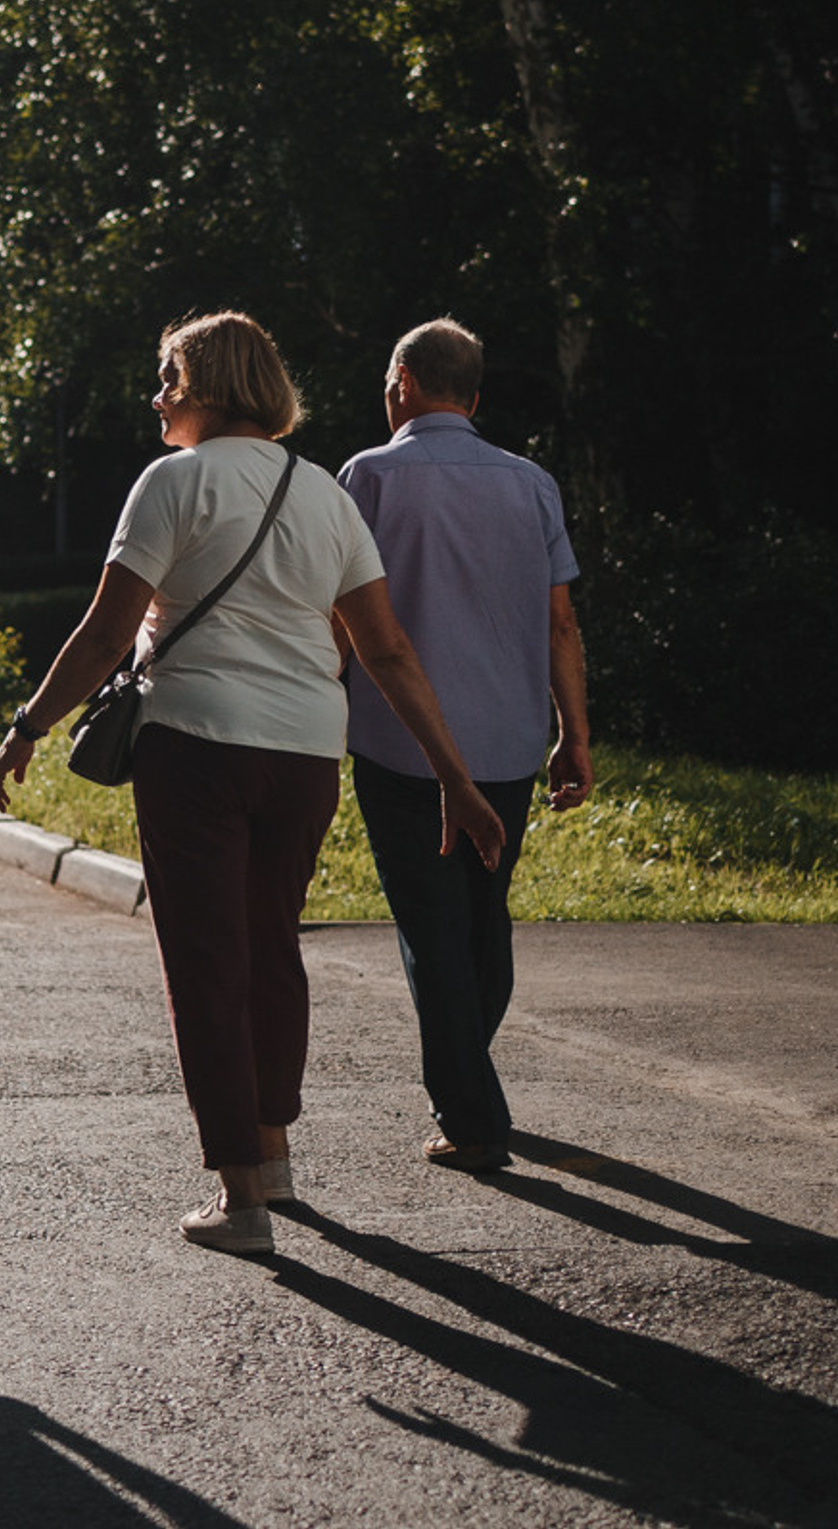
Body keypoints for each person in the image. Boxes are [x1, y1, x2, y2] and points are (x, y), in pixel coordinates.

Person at [0, 310, 505, 1258]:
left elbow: (108, 633)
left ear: (207, 388)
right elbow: (385, 649)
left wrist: (27, 727)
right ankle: (269, 1155)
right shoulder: (324, 494)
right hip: (306, 757)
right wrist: (456, 778)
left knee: (207, 962)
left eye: (168, 381)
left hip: (197, 749)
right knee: (270, 949)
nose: (158, 399)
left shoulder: (171, 484)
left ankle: (242, 1202)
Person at [338, 319, 592, 1172]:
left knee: (430, 923)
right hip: (509, 743)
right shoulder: (532, 484)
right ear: (473, 398)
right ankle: (470, 1074)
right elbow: (561, 622)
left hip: (399, 741)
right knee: (484, 913)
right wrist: (573, 737)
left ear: (403, 382)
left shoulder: (366, 478)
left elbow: (344, 621)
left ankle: (473, 1115)